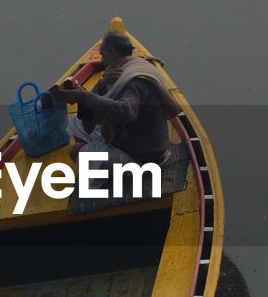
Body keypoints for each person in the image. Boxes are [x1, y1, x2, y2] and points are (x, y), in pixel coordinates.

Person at [55, 31, 180, 183]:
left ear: (112, 52)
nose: (102, 60)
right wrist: (101, 84)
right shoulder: (131, 67)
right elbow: (95, 108)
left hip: (145, 158)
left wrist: (85, 96)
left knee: (76, 152)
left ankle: (101, 165)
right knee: (76, 121)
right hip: (134, 137)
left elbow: (126, 112)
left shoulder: (135, 81)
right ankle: (99, 157)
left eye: (103, 55)